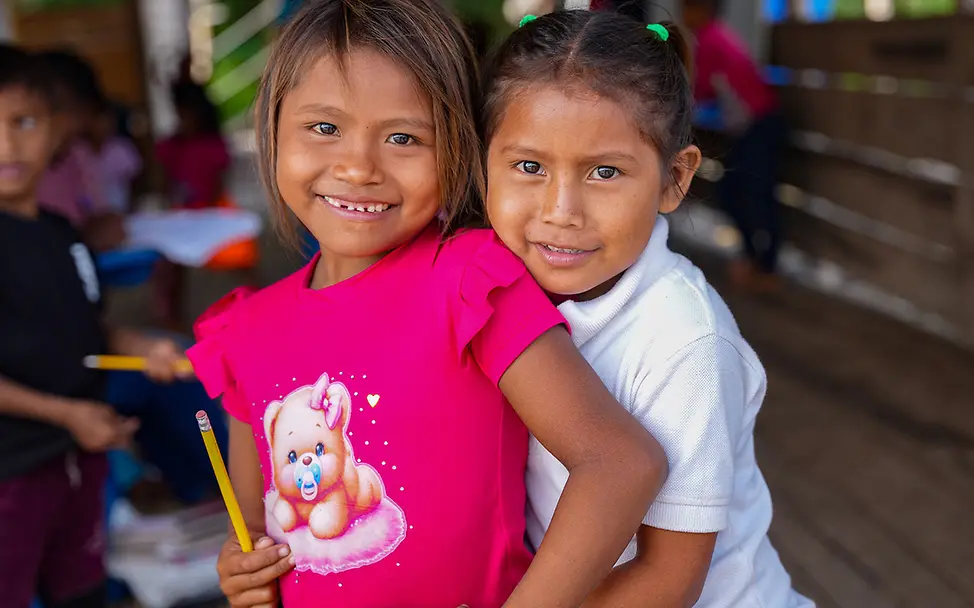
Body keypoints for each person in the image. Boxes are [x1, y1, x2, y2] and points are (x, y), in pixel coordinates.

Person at [187, 1, 666, 607]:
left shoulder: (470, 283)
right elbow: (257, 527)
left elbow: (620, 463)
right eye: (325, 128)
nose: (358, 168)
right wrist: (242, 568)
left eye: (403, 138)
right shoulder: (244, 331)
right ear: (271, 127)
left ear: (456, 149)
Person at [483, 12, 813, 607]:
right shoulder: (488, 281)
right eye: (530, 167)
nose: (561, 211)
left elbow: (669, 579)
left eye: (604, 172)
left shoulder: (686, 342)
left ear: (673, 179)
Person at [0, 45, 199, 608]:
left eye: (24, 122)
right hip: (12, 470)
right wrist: (67, 415)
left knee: (81, 590)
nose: (7, 145)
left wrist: (143, 348)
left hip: (78, 456)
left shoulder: (62, 233)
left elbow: (86, 329)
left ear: (57, 129)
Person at [683, 0, 786, 292]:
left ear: (704, 10)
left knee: (755, 196)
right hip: (751, 128)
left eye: (688, 7)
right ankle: (756, 261)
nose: (684, 14)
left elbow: (699, 91)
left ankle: (767, 268)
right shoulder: (716, 36)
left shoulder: (709, 39)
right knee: (734, 193)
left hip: (759, 125)